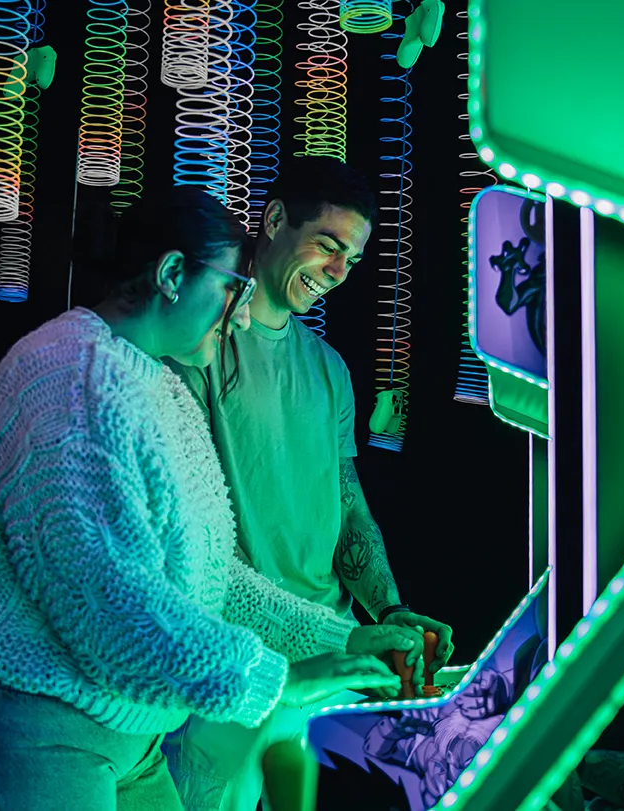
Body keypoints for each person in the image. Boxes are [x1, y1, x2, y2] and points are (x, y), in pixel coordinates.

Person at [0, 187, 423, 811]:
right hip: (21, 718)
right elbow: (114, 607)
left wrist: (337, 636)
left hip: (123, 725)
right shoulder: (72, 379)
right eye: (232, 289)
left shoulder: (156, 383)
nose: (242, 315)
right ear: (172, 275)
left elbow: (210, 574)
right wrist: (276, 681)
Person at [164, 157, 457, 811]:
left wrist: (388, 610)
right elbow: (190, 540)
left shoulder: (329, 369)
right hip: (240, 667)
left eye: (351, 258)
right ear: (272, 220)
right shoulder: (202, 341)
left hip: (332, 659)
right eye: (328, 244)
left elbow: (349, 505)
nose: (338, 272)